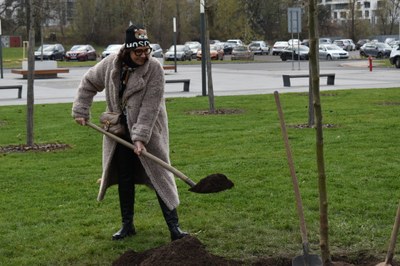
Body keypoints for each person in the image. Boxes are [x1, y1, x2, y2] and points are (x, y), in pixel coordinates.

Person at [72, 24, 188, 241]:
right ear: (127, 50)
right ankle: (127, 226)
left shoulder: (154, 69)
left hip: (149, 130)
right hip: (118, 131)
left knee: (160, 175)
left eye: (147, 51)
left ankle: (175, 228)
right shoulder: (110, 64)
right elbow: (88, 82)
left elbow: (150, 107)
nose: (144, 56)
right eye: (138, 52)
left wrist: (140, 138)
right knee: (124, 177)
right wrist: (81, 109)